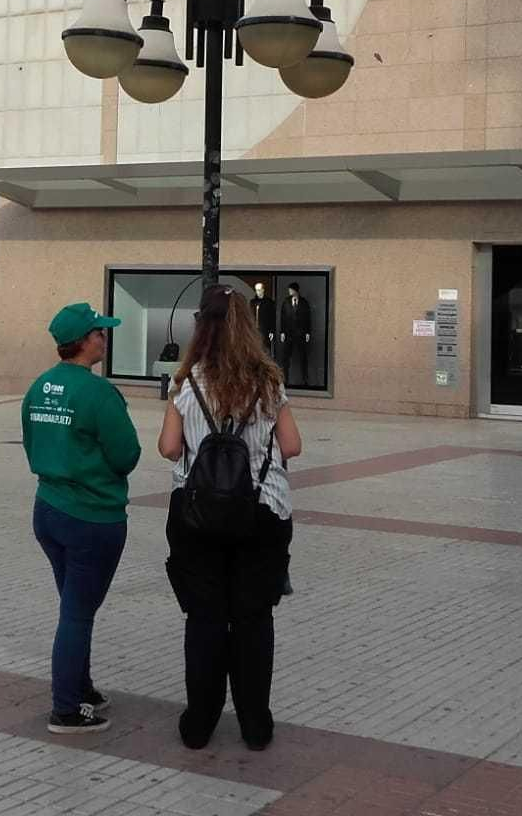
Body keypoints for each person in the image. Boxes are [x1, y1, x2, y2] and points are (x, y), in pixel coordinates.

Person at [159, 285, 301, 752]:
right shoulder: (269, 381)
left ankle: (198, 725)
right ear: (247, 326)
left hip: (196, 515)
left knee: (204, 619)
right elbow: (293, 446)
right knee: (253, 619)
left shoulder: (186, 381)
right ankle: (256, 726)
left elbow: (169, 449)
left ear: (201, 327)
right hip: (262, 512)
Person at [21, 302, 140, 735]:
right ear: (84, 341)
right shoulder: (97, 393)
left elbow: (32, 445)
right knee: (77, 613)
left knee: (76, 607)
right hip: (92, 517)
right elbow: (127, 454)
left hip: (48, 510)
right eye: (99, 333)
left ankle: (82, 687)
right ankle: (66, 709)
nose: (104, 339)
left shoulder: (39, 387)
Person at [277, 283, 313, 388]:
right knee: (285, 357)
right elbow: (282, 317)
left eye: (291, 290)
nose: (289, 292)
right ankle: (285, 379)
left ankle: (305, 379)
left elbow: (308, 318)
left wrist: (308, 332)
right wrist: (282, 332)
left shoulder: (304, 302)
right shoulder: (286, 302)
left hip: (300, 333)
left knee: (303, 357)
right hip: (288, 333)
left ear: (296, 290)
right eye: (289, 290)